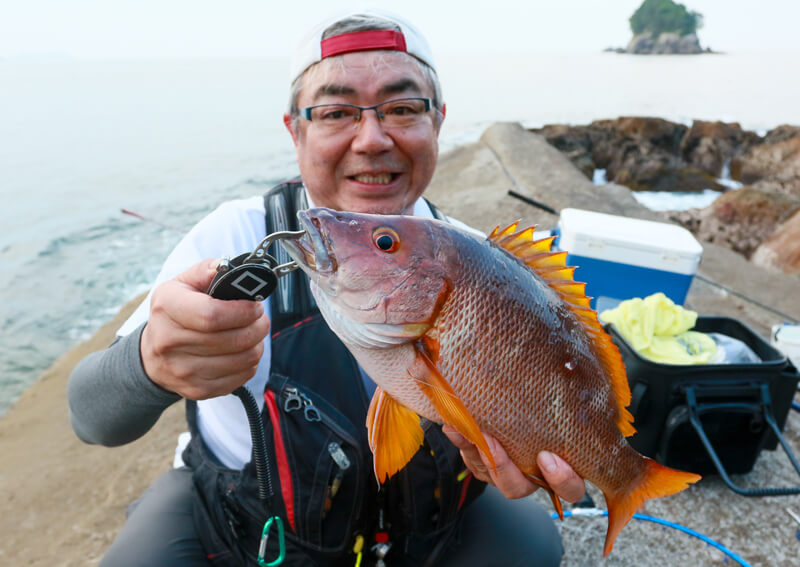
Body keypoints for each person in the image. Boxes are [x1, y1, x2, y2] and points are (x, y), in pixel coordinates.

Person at [68, 9, 586, 566]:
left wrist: (539, 457)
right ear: (296, 131)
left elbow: (561, 382)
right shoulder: (231, 239)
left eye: (403, 108)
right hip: (250, 528)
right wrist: (149, 364)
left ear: (437, 122)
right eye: (336, 112)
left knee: (532, 544)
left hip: (427, 528)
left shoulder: (485, 268)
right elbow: (92, 416)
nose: (372, 138)